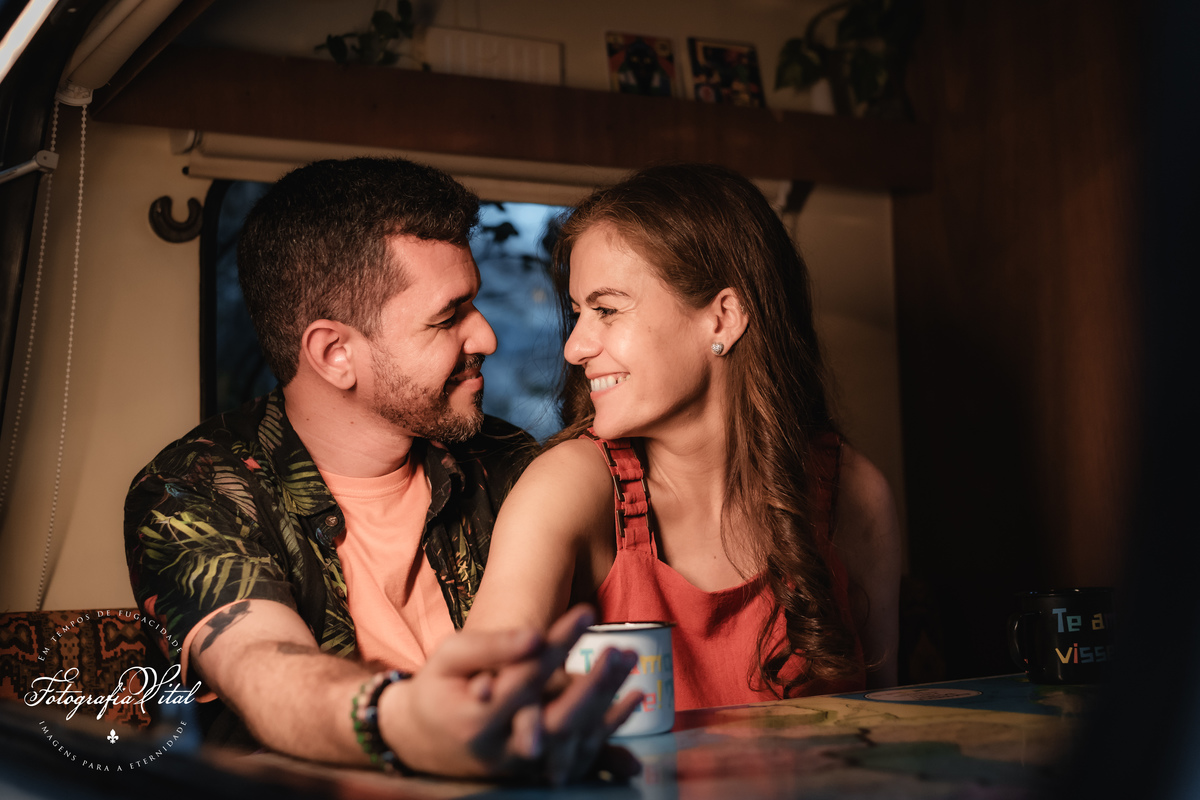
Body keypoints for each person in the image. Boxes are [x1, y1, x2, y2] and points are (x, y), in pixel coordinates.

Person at [123, 157, 641, 783]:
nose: (487, 338)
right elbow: (264, 664)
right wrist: (402, 722)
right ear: (335, 353)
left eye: (473, 305)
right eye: (448, 317)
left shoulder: (512, 465)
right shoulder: (194, 489)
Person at [466, 163, 902, 709]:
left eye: (606, 309)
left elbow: (890, 729)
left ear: (722, 318)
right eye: (578, 313)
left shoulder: (853, 492)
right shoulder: (569, 487)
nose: (574, 348)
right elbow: (474, 703)